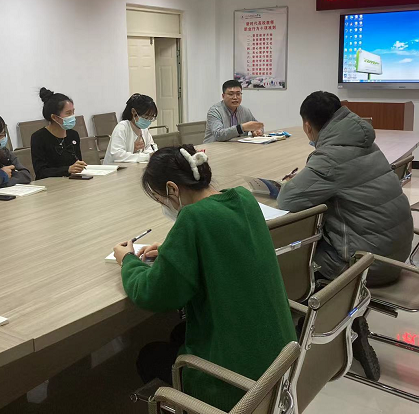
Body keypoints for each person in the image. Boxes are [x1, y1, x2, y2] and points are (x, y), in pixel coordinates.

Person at [113, 145, 296, 411]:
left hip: (240, 385)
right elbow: (225, 242)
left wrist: (128, 261)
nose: (164, 205)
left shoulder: (193, 217)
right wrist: (173, 249)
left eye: (160, 198)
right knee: (178, 333)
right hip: (279, 362)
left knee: (149, 356)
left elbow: (152, 293)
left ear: (172, 189)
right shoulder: (243, 198)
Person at [277, 91, 413, 381]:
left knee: (289, 256)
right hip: (398, 252)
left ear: (307, 126)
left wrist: (295, 181)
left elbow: (287, 199)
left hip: (367, 264)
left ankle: (324, 328)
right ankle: (348, 317)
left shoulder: (331, 157)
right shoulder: (365, 143)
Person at [30, 87, 87, 180]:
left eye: (73, 112)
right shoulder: (39, 137)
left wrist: (79, 167)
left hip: (73, 182)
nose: (72, 116)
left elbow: (78, 163)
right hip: (51, 184)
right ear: (54, 117)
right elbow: (41, 172)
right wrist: (67, 170)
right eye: (68, 113)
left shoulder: (73, 135)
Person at [103, 94, 157, 164]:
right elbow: (117, 155)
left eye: (151, 118)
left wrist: (148, 154)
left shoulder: (144, 129)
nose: (148, 121)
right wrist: (145, 156)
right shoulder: (122, 127)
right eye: (146, 117)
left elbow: (151, 147)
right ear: (133, 112)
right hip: (116, 168)